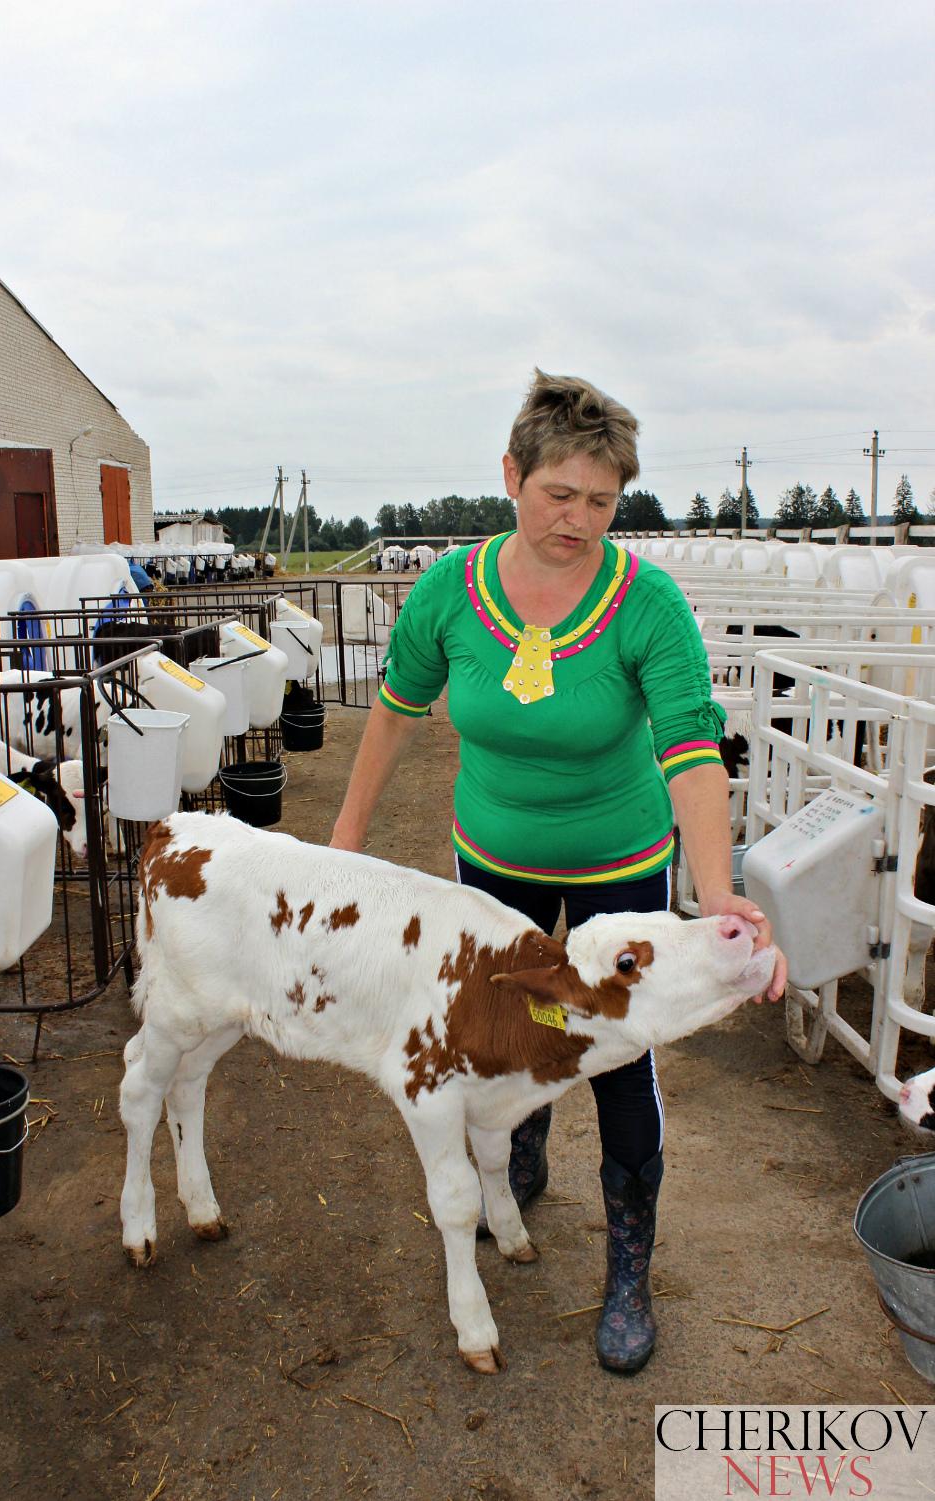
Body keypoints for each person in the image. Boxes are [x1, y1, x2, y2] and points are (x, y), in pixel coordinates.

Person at [330, 369, 786, 1375]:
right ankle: (519, 1143)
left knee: (619, 1051)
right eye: (558, 495)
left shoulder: (644, 604)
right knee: (512, 1027)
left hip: (621, 860)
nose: (579, 520)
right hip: (492, 866)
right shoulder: (450, 592)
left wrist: (714, 895)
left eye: (601, 501)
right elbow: (396, 711)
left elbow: (692, 749)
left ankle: (628, 1262)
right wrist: (344, 840)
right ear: (511, 475)